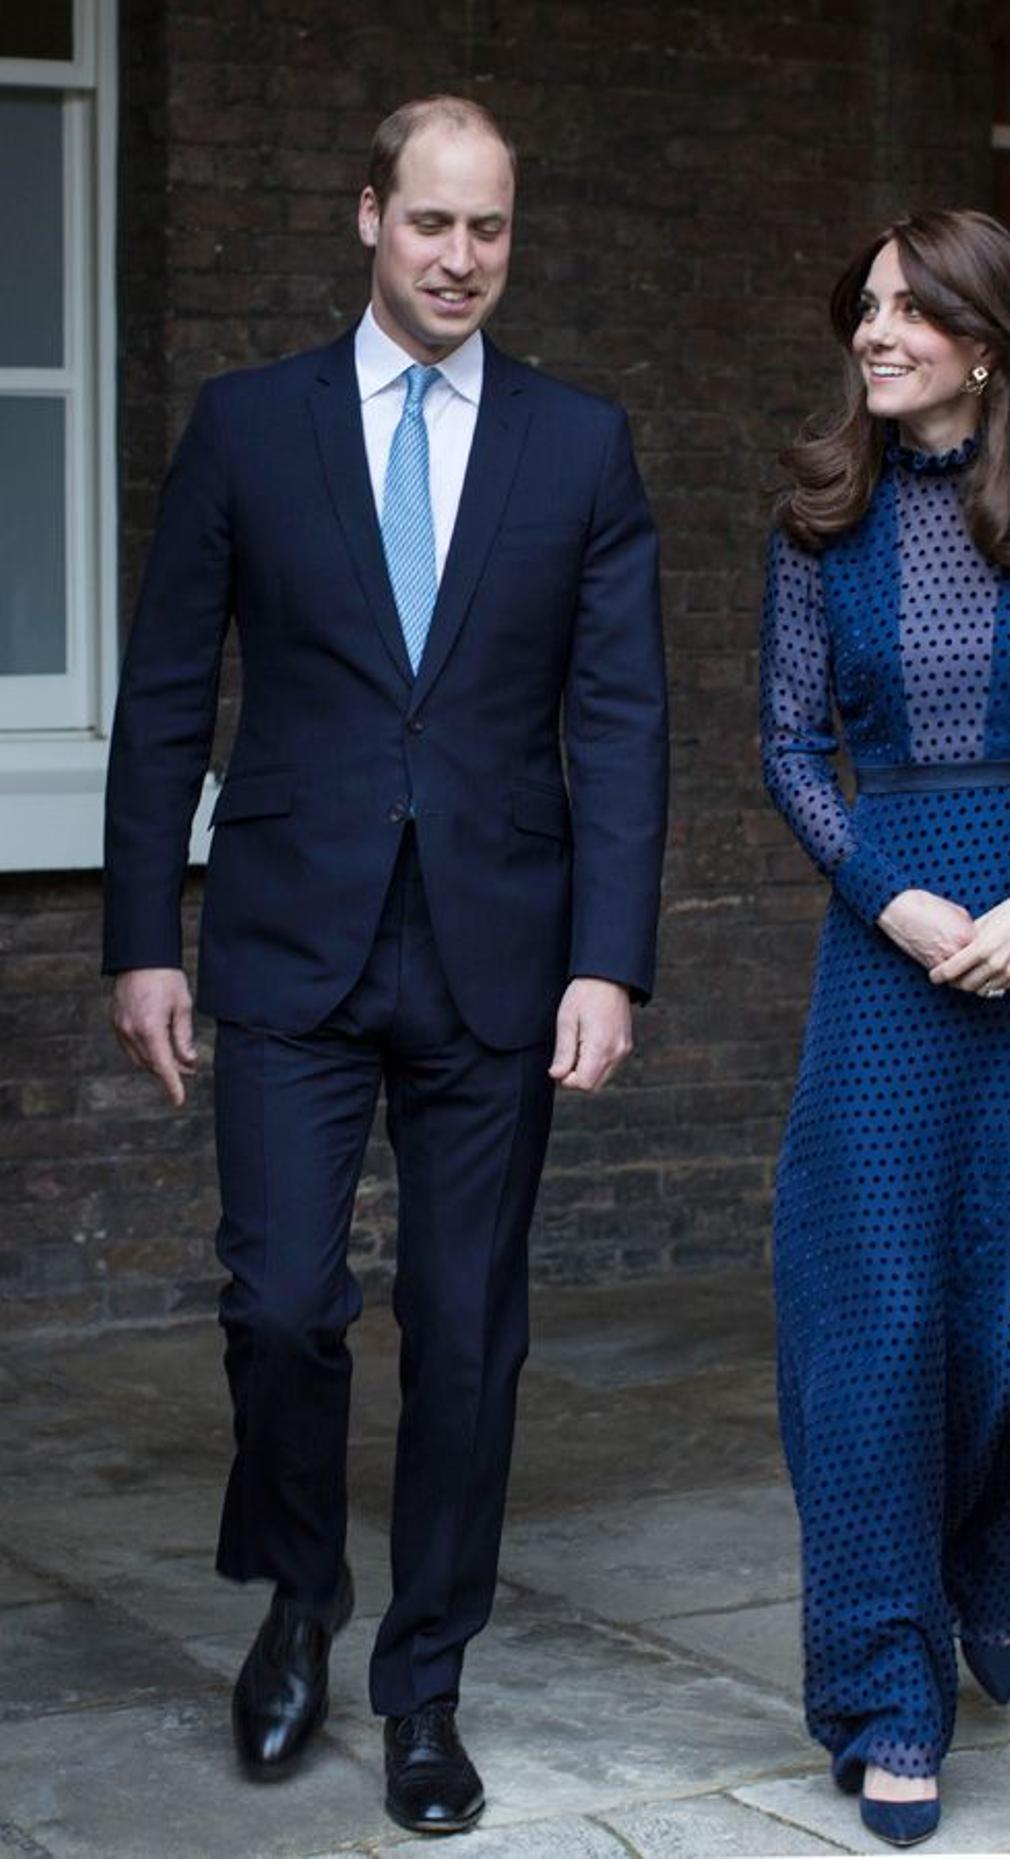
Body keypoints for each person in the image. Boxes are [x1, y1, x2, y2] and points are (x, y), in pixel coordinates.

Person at [103, 95, 667, 1837]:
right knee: (278, 1300)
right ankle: (298, 1592)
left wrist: (611, 959)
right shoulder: (249, 428)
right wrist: (142, 938)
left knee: (469, 1334)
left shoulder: (578, 447)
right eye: (432, 223)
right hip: (286, 938)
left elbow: (625, 720)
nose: (460, 260)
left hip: (499, 955)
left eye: (490, 229)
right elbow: (168, 697)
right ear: (367, 218)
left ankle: (425, 1682)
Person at [760, 209, 1010, 1847]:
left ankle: (986, 1541)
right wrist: (889, 892)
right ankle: (885, 1687)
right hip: (886, 957)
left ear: (984, 342)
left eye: (909, 311)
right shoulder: (817, 517)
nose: (873, 332)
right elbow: (785, 739)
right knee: (870, 1331)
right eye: (864, 308)